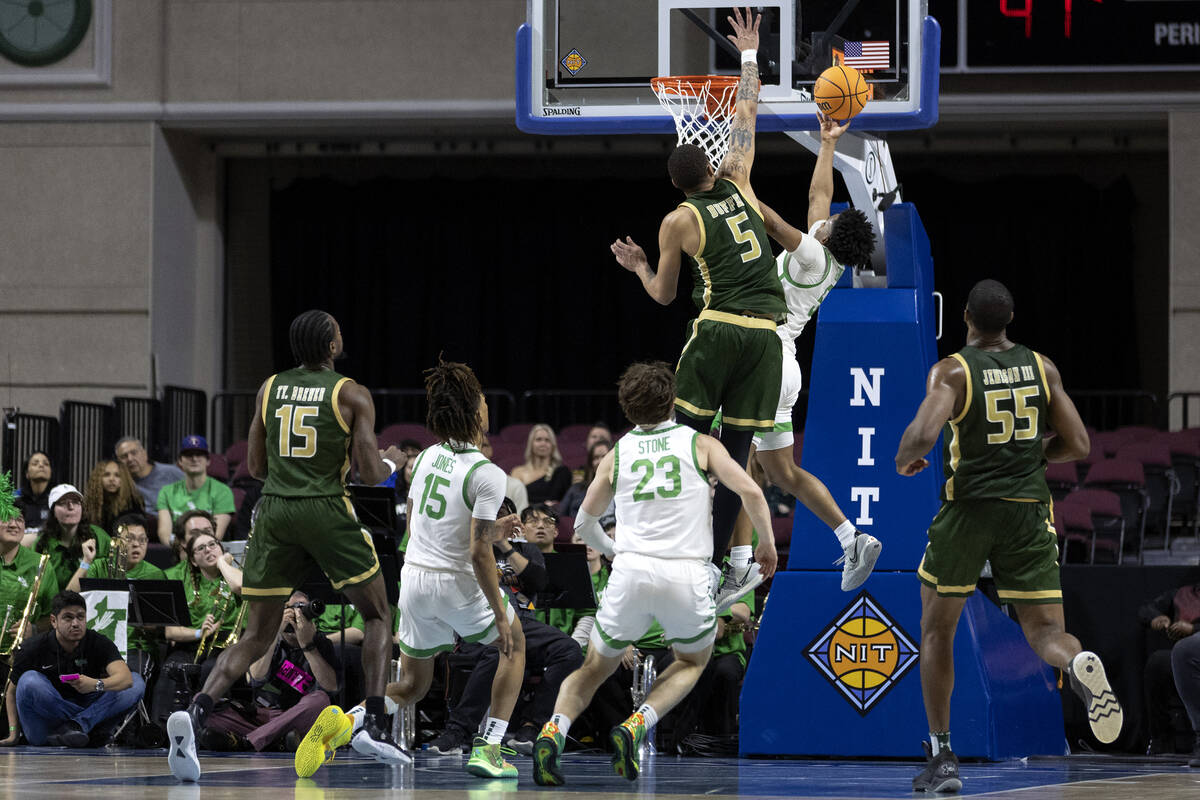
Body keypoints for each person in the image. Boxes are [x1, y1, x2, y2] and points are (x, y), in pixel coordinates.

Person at [894, 279, 1123, 793]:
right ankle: (1077, 661)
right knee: (1044, 634)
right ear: (1011, 318)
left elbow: (924, 434)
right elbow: (1079, 443)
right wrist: (1036, 455)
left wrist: (905, 456)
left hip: (970, 512)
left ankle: (943, 755)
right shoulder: (1043, 367)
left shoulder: (951, 370)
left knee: (937, 631)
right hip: (1028, 512)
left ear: (966, 316)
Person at [166, 310, 404, 782]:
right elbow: (370, 474)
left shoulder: (268, 387)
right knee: (378, 614)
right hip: (325, 509)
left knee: (256, 634)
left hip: (273, 511)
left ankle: (196, 711)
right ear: (331, 346)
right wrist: (393, 465)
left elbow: (254, 466)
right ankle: (374, 721)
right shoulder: (351, 392)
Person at [531, 360, 775, 786]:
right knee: (690, 661)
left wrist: (613, 553)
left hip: (630, 574)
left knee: (590, 669)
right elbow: (750, 490)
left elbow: (584, 525)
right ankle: (637, 724)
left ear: (628, 409)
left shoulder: (617, 453)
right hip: (686, 575)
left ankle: (554, 729)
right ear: (673, 401)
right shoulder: (700, 444)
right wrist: (767, 544)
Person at [611, 7, 779, 607]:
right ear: (709, 164)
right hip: (766, 337)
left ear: (677, 184)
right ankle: (719, 562)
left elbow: (662, 295)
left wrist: (637, 268)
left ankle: (669, 545)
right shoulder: (736, 177)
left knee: (680, 441)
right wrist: (750, 56)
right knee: (735, 454)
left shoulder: (678, 219)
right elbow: (746, 112)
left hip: (717, 332)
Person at [293, 358, 525, 781]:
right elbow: (476, 554)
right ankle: (489, 748)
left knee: (414, 685)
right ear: (475, 412)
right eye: (485, 401)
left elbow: (425, 523)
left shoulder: (428, 458)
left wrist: (487, 534)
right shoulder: (489, 474)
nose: (489, 407)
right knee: (514, 646)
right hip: (456, 581)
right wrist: (499, 612)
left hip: (415, 579)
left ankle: (344, 723)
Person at [746, 112, 882, 591]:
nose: (827, 217)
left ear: (828, 236)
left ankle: (741, 561)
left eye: (832, 222)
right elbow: (818, 196)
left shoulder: (809, 255)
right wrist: (826, 144)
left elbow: (774, 222)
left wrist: (734, 186)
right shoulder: (830, 258)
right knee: (783, 473)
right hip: (783, 364)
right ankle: (850, 538)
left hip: (762, 361)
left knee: (733, 460)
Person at [425, 498, 582, 758]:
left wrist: (503, 544)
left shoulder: (526, 550)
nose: (498, 520)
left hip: (522, 623)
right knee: (499, 649)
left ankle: (531, 727)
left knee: (570, 651)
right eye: (492, 516)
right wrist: (485, 540)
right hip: (478, 623)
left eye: (504, 515)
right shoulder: (469, 549)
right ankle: (458, 731)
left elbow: (539, 582)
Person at [201, 590, 340, 753]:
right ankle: (276, 741)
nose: (296, 614)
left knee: (320, 701)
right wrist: (272, 632)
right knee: (205, 705)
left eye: (302, 608)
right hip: (262, 717)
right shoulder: (265, 640)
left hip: (298, 718)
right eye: (290, 608)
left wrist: (307, 645)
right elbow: (256, 678)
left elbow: (331, 687)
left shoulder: (321, 644)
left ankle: (247, 742)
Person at [10, 590, 144, 747]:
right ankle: (81, 728)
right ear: (53, 621)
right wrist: (13, 733)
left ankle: (77, 727)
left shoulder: (98, 642)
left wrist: (95, 684)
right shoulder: (32, 647)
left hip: (86, 706)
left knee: (136, 682)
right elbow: (12, 692)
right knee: (29, 680)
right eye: (68, 617)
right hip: (46, 726)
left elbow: (126, 679)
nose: (75, 623)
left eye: (80, 617)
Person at [151, 530, 244, 726]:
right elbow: (170, 632)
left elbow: (238, 586)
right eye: (201, 548)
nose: (208, 550)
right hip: (193, 643)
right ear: (193, 560)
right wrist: (199, 632)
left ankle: (206, 726)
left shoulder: (234, 573)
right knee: (171, 668)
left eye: (213, 544)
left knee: (211, 668)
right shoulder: (184, 583)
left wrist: (221, 562)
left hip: (228, 644)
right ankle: (161, 729)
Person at [0, 512, 61, 745]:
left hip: (21, 658)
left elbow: (54, 616)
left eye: (20, 519)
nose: (14, 524)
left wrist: (34, 629)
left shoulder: (40, 564)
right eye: (7, 518)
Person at [83, 514, 166, 679]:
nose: (136, 544)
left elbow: (161, 627)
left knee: (130, 680)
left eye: (142, 540)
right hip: (99, 644)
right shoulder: (99, 567)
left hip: (136, 647)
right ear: (115, 542)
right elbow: (77, 601)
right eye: (129, 538)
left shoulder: (155, 574)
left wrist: (146, 623)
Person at [1139, 580, 1200, 754]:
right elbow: (1145, 608)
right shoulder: (1182, 594)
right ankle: (1161, 738)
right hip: (1183, 658)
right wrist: (1156, 617)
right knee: (1157, 662)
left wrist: (1193, 629)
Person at [30, 485, 111, 596]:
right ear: (53, 510)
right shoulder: (42, 544)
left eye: (76, 502)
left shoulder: (98, 536)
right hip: (55, 605)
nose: (71, 507)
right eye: (63, 503)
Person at [156, 436, 237, 544]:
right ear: (180, 461)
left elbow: (216, 535)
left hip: (208, 553)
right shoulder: (166, 492)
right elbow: (164, 535)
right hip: (176, 553)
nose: (194, 458)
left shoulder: (223, 491)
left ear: (208, 461)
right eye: (189, 455)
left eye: (199, 454)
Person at [115, 437, 184, 511]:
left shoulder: (172, 473)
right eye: (124, 456)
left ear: (144, 454)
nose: (130, 459)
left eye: (134, 453)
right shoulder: (121, 484)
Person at [511, 424, 573, 506]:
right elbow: (513, 501)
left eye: (547, 440)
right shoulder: (517, 472)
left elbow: (564, 503)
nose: (543, 443)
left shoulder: (562, 472)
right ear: (531, 444)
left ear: (553, 445)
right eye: (538, 439)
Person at [82, 460, 145, 535]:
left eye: (117, 475)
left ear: (124, 479)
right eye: (106, 475)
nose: (112, 479)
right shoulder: (90, 504)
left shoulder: (133, 502)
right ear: (98, 479)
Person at [560, 440, 612, 518]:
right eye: (596, 458)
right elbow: (560, 516)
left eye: (604, 456)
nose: (600, 461)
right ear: (591, 463)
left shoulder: (622, 489)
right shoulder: (576, 489)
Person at [14, 451, 53, 531]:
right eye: (35, 464)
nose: (41, 465)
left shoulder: (56, 500)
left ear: (50, 472)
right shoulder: (14, 498)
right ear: (27, 473)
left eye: (46, 464)